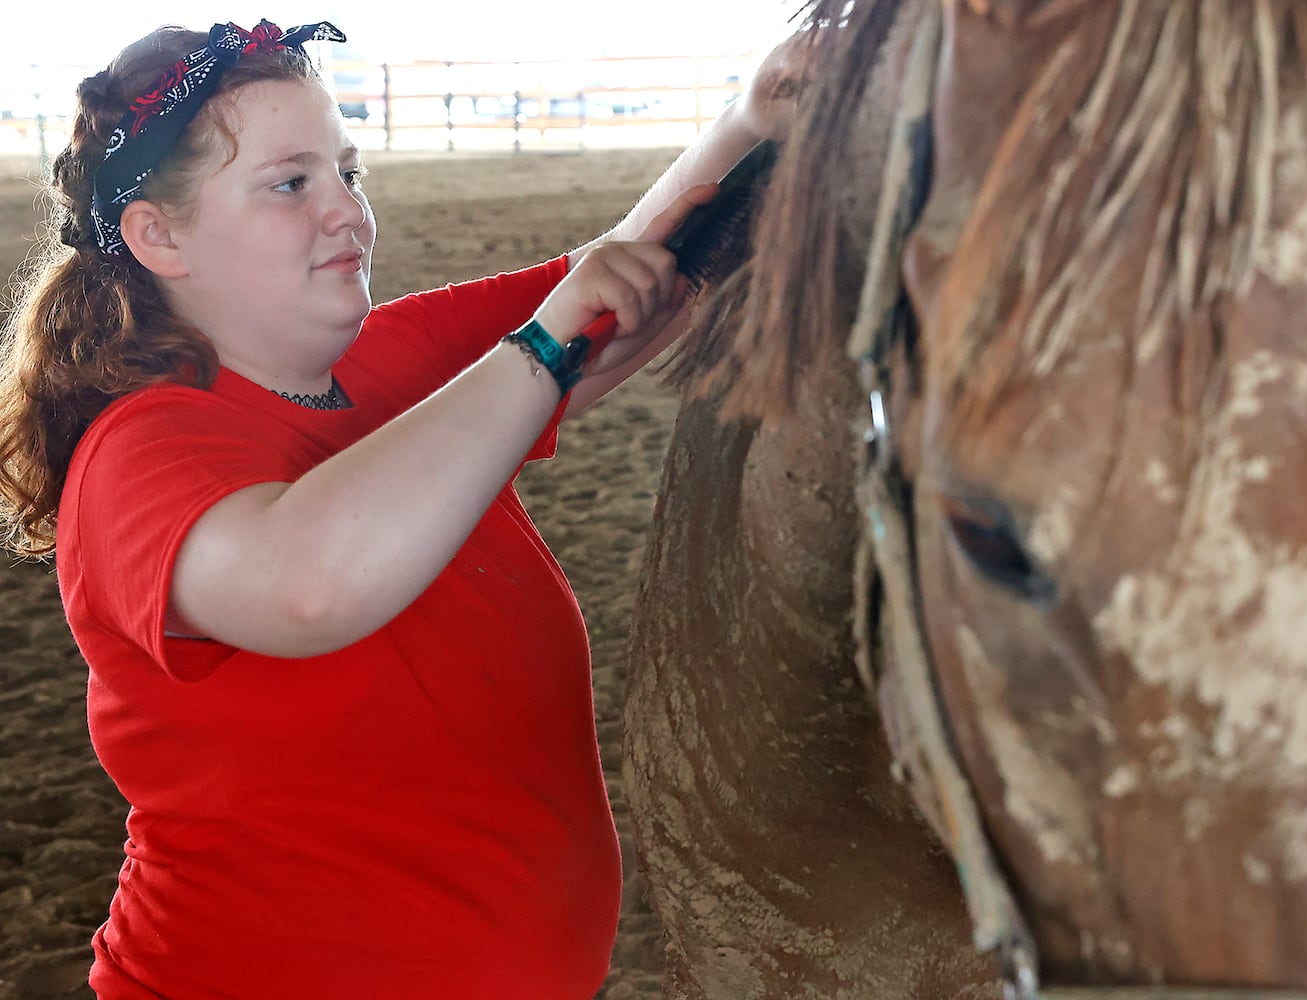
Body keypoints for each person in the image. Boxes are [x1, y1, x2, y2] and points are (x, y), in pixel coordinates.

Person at [0, 17, 805, 999]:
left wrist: (749, 117)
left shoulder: (378, 367)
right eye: (292, 183)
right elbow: (308, 582)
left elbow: (622, 288)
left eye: (351, 173)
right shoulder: (139, 450)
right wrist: (539, 351)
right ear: (157, 235)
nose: (348, 211)